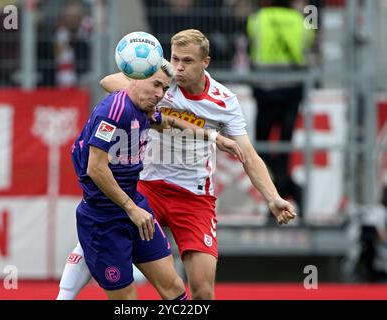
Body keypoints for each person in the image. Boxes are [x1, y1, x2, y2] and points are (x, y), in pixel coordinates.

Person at [58, 29, 296, 300]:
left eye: (188, 61)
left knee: (203, 292)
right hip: (148, 186)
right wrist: (146, 92)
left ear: (205, 62)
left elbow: (249, 155)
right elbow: (109, 81)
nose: (179, 67)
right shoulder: (160, 79)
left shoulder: (223, 100)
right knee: (104, 228)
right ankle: (67, 290)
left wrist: (273, 197)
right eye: (175, 59)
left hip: (193, 195)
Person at [69, 59, 245, 300]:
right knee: (128, 299)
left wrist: (213, 137)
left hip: (134, 206)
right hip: (103, 219)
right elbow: (96, 168)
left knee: (174, 288)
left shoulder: (144, 109)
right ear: (136, 78)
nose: (160, 94)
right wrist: (131, 209)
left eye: (164, 88)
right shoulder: (113, 111)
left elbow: (169, 122)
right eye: (156, 85)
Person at [247, 0, 316, 219]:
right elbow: (309, 46)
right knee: (284, 148)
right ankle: (290, 189)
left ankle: (278, 196)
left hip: (264, 90)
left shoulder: (257, 20)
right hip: (292, 91)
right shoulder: (302, 20)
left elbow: (250, 47)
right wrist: (307, 11)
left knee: (261, 148)